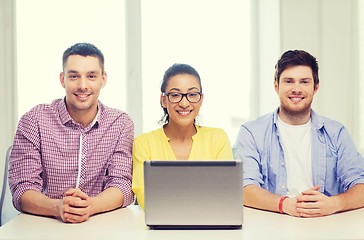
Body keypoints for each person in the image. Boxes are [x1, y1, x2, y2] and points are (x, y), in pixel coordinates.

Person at [8, 43, 134, 223]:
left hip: (101, 223)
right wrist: (57, 207)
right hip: (44, 223)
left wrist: (91, 206)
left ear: (103, 79)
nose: (83, 86)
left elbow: (122, 185)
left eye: (91, 76)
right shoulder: (34, 120)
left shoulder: (121, 123)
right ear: (62, 79)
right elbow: (22, 188)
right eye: (74, 76)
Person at [233, 50, 364, 217]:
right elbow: (244, 188)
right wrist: (284, 204)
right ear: (276, 86)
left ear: (315, 87)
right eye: (288, 81)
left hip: (326, 224)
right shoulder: (251, 132)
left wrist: (334, 203)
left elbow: (361, 185)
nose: (296, 89)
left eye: (304, 82)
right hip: (271, 223)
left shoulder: (337, 133)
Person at [132, 63, 234, 210]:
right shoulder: (144, 143)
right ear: (164, 100)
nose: (184, 103)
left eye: (192, 94)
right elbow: (145, 197)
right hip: (160, 227)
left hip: (208, 225)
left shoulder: (218, 138)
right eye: (175, 95)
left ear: (201, 99)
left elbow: (226, 194)